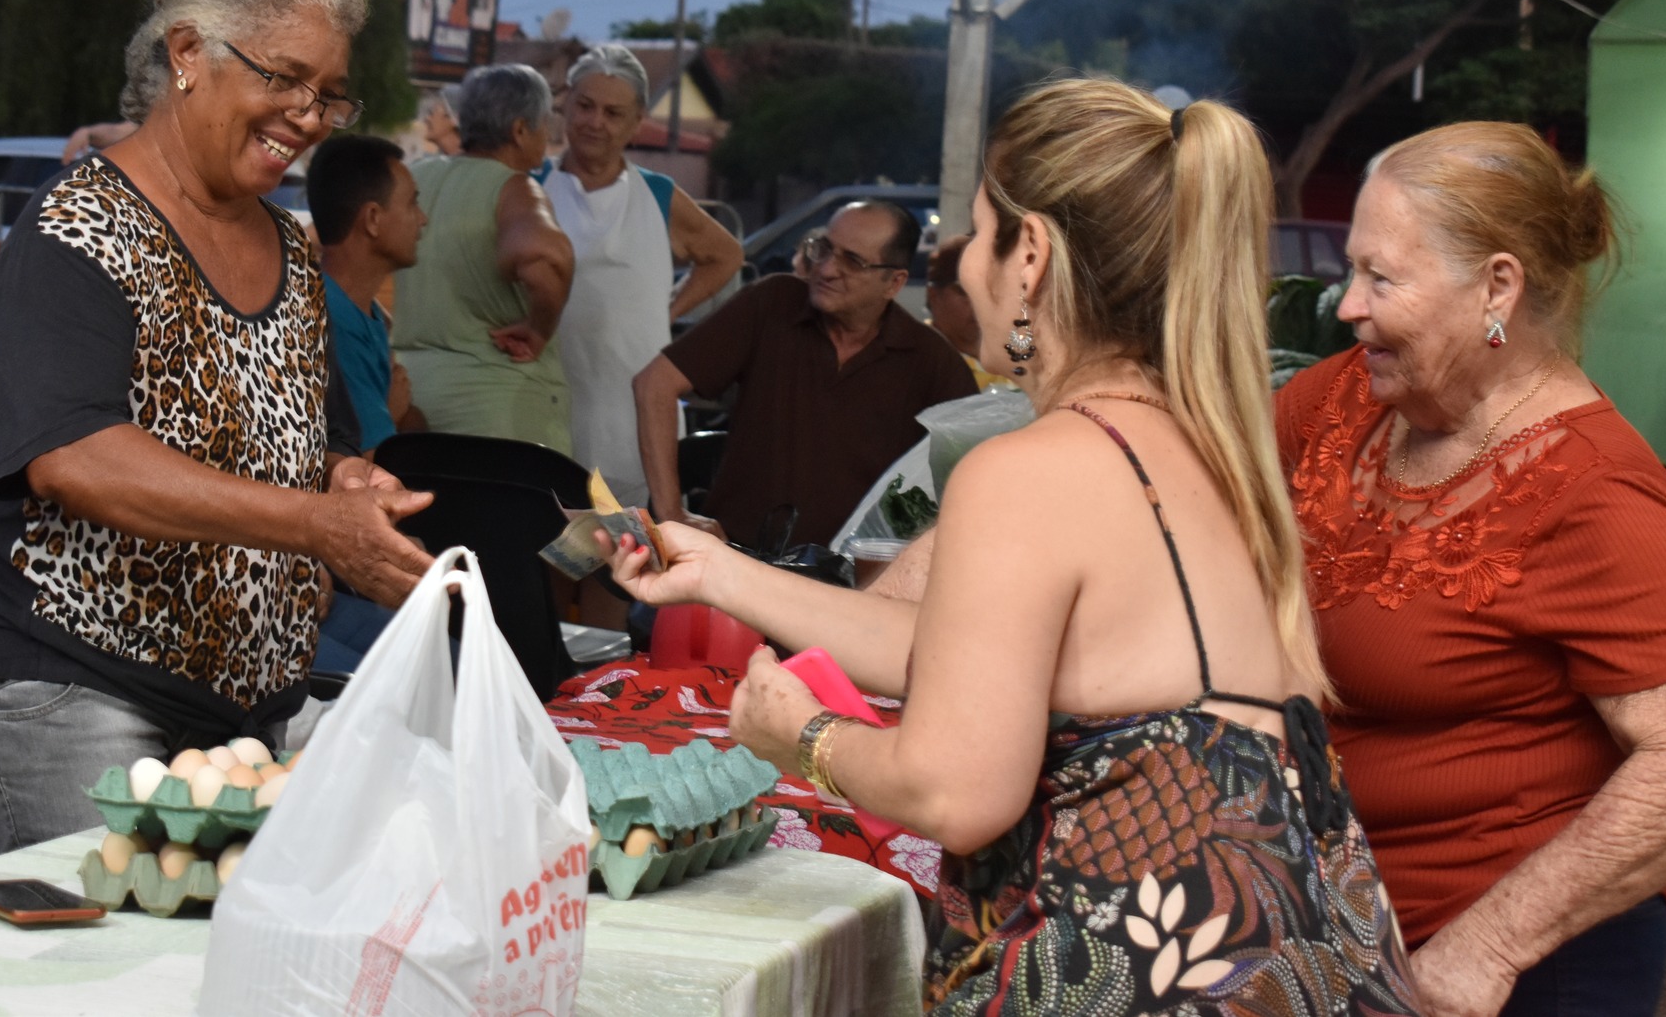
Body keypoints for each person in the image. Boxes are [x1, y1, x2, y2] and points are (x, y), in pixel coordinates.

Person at [604, 79, 1418, 1014]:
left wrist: (799, 735)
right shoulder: (1211, 454)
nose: (962, 267)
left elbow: (956, 787)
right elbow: (971, 659)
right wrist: (721, 573)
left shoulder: (1028, 468)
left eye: (976, 236)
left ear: (1029, 254)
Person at [0, 0, 436, 852]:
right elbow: (76, 457)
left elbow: (307, 443)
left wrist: (345, 485)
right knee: (114, 983)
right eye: (284, 78)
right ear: (187, 55)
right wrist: (308, 525)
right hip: (78, 692)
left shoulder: (296, 250)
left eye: (329, 94)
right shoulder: (76, 228)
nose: (308, 115)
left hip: (256, 711)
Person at [1278, 121, 1666, 1017]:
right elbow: (1189, 494)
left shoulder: (1598, 491)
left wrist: (1488, 947)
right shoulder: (1348, 399)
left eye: (1381, 277)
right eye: (1353, 270)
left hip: (1515, 966)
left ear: (1498, 284)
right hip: (1344, 930)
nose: (1348, 303)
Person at [634, 200, 974, 549]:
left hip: (851, 584)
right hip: (734, 561)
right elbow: (653, 384)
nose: (825, 270)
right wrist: (672, 515)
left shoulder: (930, 361)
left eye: (852, 261)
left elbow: (974, 481)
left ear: (894, 283)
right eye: (824, 249)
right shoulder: (773, 303)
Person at [536, 44, 742, 505]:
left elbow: (725, 255)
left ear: (636, 121)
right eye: (586, 106)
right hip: (550, 391)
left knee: (629, 546)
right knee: (550, 531)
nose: (595, 122)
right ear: (565, 102)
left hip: (632, 400)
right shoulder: (531, 189)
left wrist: (666, 309)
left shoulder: (656, 194)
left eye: (613, 112)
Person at [393, 63, 577, 451]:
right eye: (544, 123)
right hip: (499, 424)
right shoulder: (515, 189)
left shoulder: (413, 178)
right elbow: (545, 257)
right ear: (520, 130)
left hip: (407, 405)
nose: (548, 135)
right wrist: (539, 328)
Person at [307, 133, 430, 454]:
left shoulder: (363, 313)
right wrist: (392, 414)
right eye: (412, 203)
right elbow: (368, 463)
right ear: (373, 219)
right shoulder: (330, 322)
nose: (423, 219)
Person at [923, 233, 1016, 392]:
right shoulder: (920, 359)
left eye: (993, 292)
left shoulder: (1017, 357)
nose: (981, 303)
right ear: (934, 295)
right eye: (965, 292)